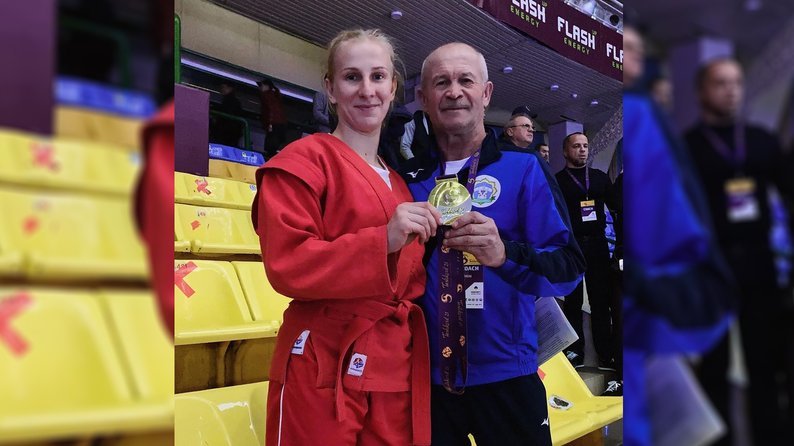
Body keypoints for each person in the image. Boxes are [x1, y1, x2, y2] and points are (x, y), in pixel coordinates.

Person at [252, 29, 440, 446]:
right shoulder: (303, 160)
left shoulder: (399, 183)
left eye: (378, 76)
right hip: (324, 358)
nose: (367, 90)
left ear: (393, 87)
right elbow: (287, 263)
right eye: (352, 77)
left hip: (391, 362)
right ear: (330, 88)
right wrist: (382, 241)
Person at [400, 42, 585, 446]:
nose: (454, 91)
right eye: (441, 82)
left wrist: (504, 254)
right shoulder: (405, 178)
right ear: (424, 98)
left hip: (507, 377)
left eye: (465, 80)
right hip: (426, 380)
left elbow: (569, 268)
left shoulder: (525, 168)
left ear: (486, 93)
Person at [622, 24, 736, 445]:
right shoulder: (641, 117)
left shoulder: (644, 118)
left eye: (637, 49)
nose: (631, 57)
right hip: (649, 300)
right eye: (625, 48)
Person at [684, 57, 794, 445]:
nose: (731, 90)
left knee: (765, 364)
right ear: (702, 91)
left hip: (760, 264)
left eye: (736, 82)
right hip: (711, 267)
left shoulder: (762, 140)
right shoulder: (689, 148)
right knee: (713, 368)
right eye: (721, 83)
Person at [555, 133, 620, 371]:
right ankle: (575, 351)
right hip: (571, 246)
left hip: (597, 244)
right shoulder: (558, 181)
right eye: (576, 146)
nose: (582, 150)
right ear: (565, 151)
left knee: (600, 301)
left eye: (585, 146)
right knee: (572, 301)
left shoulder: (599, 177)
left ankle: (606, 352)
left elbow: (618, 208)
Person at [258, 78, 288, 158]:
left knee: (270, 146)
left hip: (273, 124)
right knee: (274, 147)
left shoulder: (266, 95)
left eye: (261, 85)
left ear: (267, 86)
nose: (260, 88)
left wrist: (269, 124)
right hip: (280, 124)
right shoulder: (275, 95)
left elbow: (270, 110)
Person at [212, 82, 244, 147]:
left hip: (226, 134)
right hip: (230, 134)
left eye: (224, 87)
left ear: (230, 88)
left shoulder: (229, 101)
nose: (222, 89)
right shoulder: (231, 100)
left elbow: (226, 117)